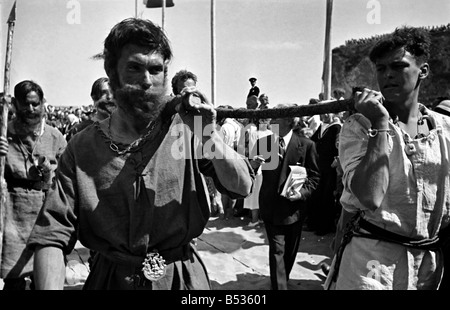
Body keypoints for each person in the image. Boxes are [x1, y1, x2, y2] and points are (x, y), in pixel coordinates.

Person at [27, 17, 254, 290]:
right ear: (112, 72)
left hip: (182, 281)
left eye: (156, 69)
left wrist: (210, 135)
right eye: (134, 68)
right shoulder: (82, 147)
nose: (147, 81)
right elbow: (52, 235)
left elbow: (242, 186)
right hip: (111, 281)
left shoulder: (188, 132)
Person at [325, 26, 450, 290]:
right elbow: (370, 196)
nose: (388, 75)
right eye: (381, 69)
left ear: (423, 71)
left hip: (427, 269)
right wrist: (380, 124)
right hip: (370, 267)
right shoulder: (359, 126)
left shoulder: (445, 131)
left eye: (398, 66)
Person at [0, 80, 67, 290]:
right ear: (15, 105)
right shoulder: (3, 133)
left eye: (35, 104)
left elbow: (67, 176)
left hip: (45, 213)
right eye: (26, 104)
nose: (31, 109)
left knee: (45, 276)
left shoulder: (54, 136)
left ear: (42, 104)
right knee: (13, 278)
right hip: (13, 213)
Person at [250, 103, 320, 290]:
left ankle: (282, 279)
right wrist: (253, 166)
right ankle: (279, 286)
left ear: (289, 121)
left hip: (294, 210)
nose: (271, 121)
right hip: (271, 207)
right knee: (277, 250)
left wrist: (301, 193)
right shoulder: (263, 144)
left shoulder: (306, 145)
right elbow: (250, 172)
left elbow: (314, 177)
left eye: (276, 117)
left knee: (289, 252)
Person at [307, 112, 342, 235]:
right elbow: (313, 141)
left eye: (327, 113)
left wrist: (337, 159)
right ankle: (314, 223)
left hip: (330, 167)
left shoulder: (337, 127)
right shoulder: (322, 127)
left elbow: (340, 145)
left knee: (327, 196)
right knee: (317, 195)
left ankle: (324, 227)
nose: (324, 115)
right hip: (319, 166)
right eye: (322, 113)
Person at [243, 117, 272, 227]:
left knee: (257, 192)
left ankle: (256, 219)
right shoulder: (256, 133)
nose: (264, 122)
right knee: (259, 192)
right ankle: (257, 218)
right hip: (263, 165)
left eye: (266, 119)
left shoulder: (264, 133)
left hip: (261, 165)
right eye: (262, 120)